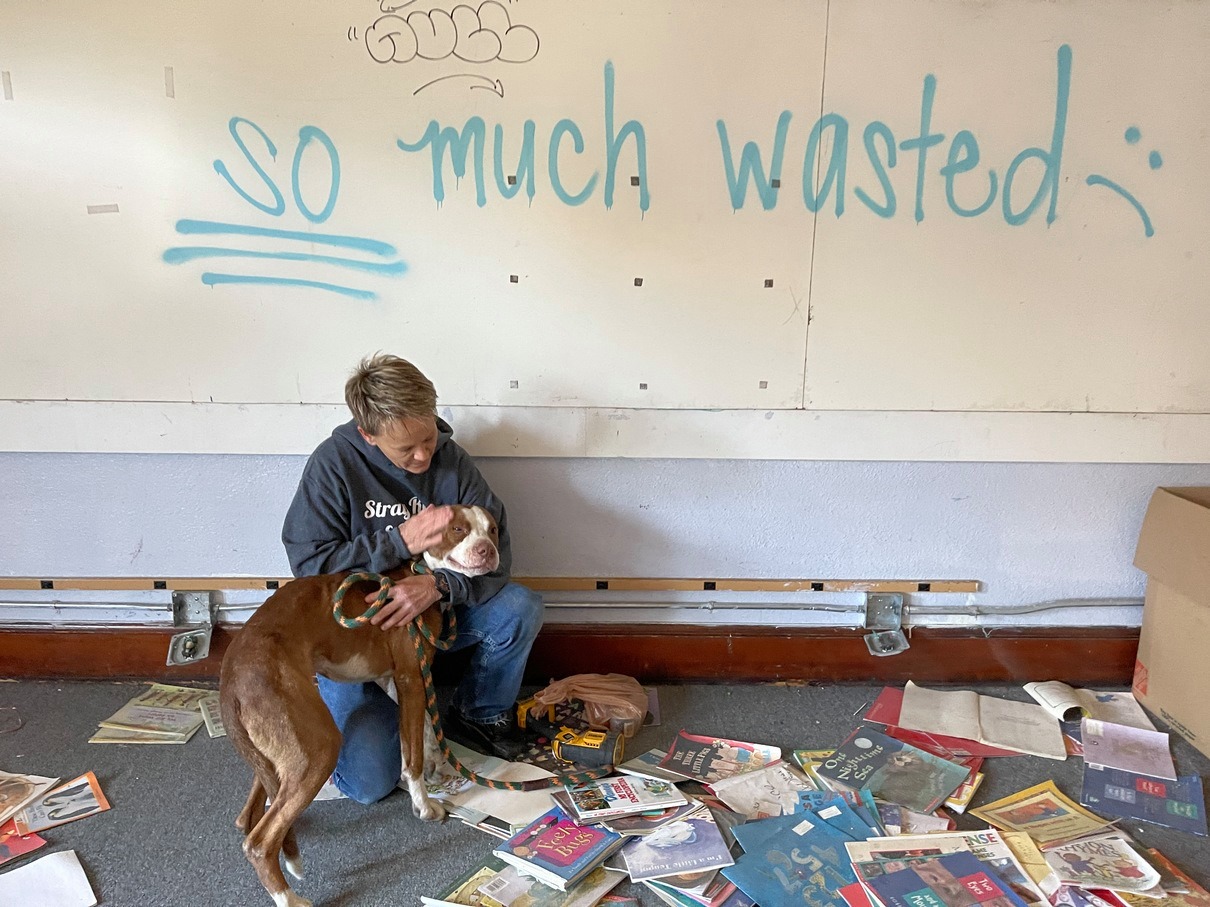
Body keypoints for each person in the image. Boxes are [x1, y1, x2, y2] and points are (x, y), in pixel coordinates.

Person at [282, 352, 543, 803]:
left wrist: (440, 585)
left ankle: (477, 714)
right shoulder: (333, 465)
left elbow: (499, 557)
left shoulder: (453, 461)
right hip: (357, 639)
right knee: (369, 785)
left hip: (434, 619)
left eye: (429, 436)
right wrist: (400, 541)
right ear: (367, 434)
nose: (424, 455)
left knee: (518, 607)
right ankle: (365, 714)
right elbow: (309, 567)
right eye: (407, 448)